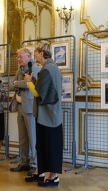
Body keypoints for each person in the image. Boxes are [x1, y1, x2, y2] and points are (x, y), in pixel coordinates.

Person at [24, 43, 63, 188]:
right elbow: (44, 89)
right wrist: (34, 81)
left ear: (42, 53)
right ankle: (41, 173)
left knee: (50, 146)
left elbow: (38, 94)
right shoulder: (51, 68)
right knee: (43, 145)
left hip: (48, 115)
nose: (34, 55)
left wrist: (29, 83)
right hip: (48, 114)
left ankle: (53, 177)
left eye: (36, 52)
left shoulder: (47, 69)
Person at [9, 47, 41, 176]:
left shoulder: (36, 68)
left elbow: (30, 84)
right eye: (18, 57)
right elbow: (11, 85)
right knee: (22, 138)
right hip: (20, 107)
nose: (18, 59)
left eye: (20, 56)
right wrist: (21, 82)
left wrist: (19, 83)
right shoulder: (19, 70)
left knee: (33, 138)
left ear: (28, 56)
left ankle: (34, 164)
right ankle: (24, 162)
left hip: (29, 108)